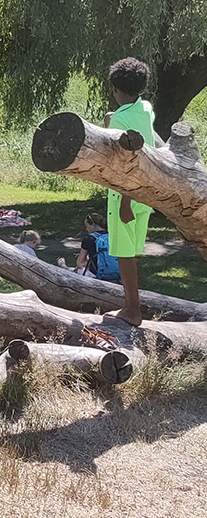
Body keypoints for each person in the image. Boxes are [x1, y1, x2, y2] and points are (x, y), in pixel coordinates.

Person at [102, 58, 157, 326]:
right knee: (132, 251)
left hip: (125, 193)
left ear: (115, 89)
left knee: (124, 254)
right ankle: (132, 305)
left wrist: (125, 201)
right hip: (145, 191)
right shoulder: (146, 108)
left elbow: (126, 162)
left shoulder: (120, 119)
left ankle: (132, 309)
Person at [58, 213, 120, 281]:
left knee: (79, 270)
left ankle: (63, 267)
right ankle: (64, 267)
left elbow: (80, 264)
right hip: (118, 273)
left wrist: (86, 262)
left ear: (93, 225)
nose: (86, 229)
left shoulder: (89, 239)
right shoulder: (113, 236)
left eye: (87, 226)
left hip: (97, 275)